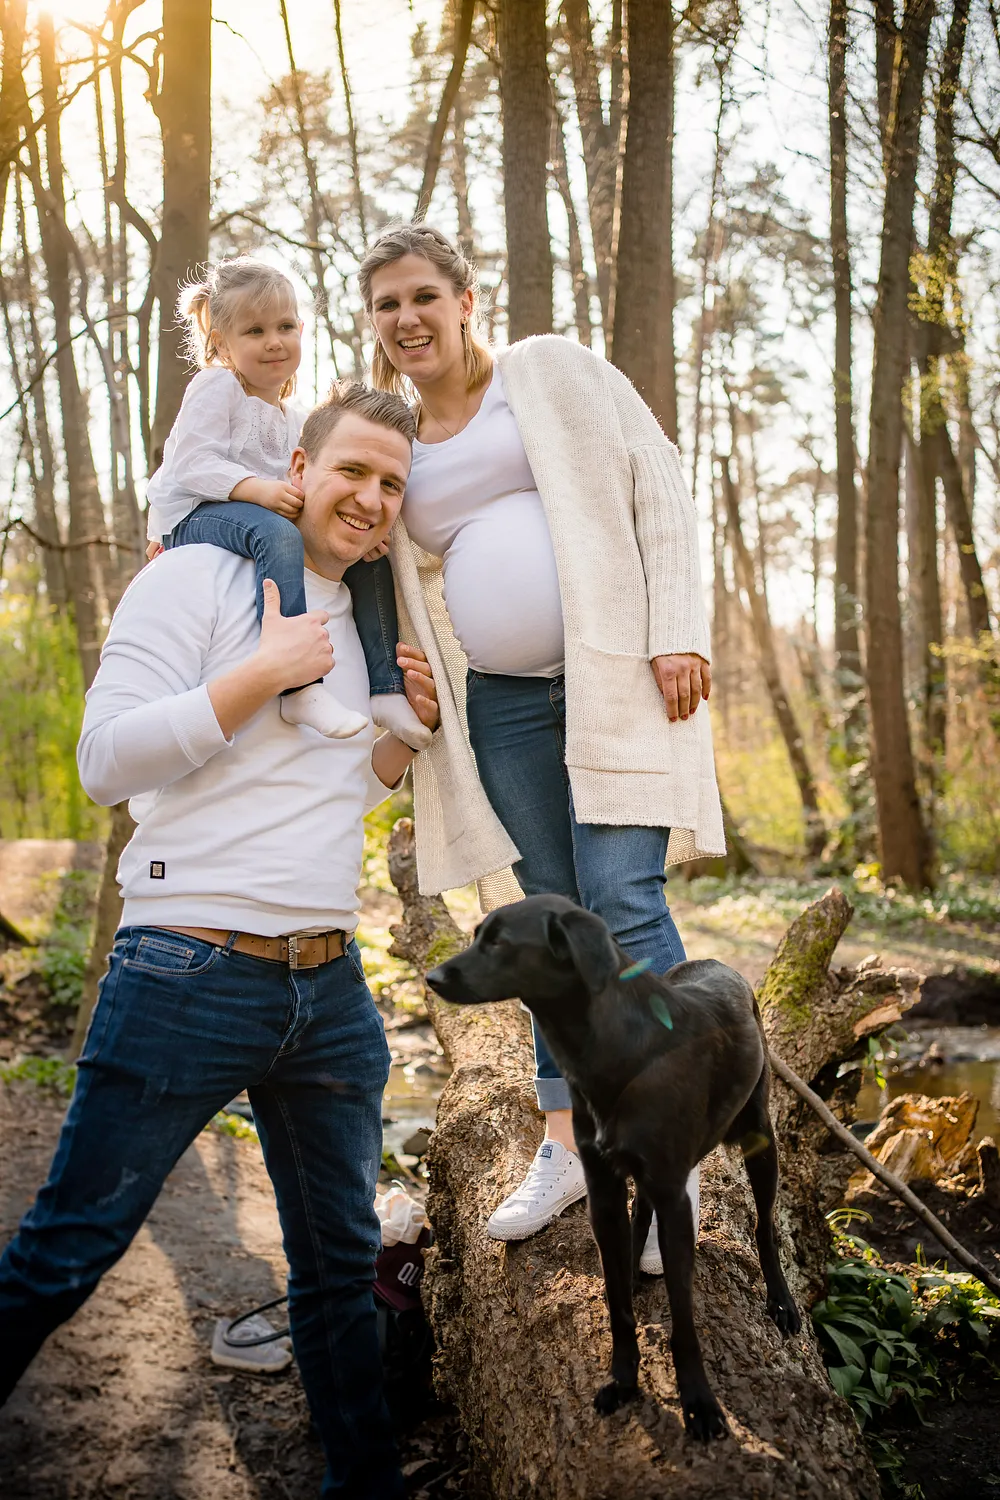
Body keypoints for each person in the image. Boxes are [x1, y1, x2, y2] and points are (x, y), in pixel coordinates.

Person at [0, 383, 439, 1500]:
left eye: (392, 483)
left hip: (329, 992)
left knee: (340, 1272)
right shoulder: (198, 574)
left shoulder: (378, 626)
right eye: (352, 471)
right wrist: (257, 675)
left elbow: (325, 795)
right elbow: (107, 761)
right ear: (299, 467)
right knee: (69, 1250)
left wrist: (402, 743)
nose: (371, 499)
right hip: (183, 973)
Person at [358, 224, 725, 1275]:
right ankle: (566, 1146)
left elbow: (656, 478)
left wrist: (677, 629)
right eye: (386, 304)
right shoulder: (398, 436)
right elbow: (373, 554)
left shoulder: (547, 371)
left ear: (465, 297)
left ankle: (671, 1154)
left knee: (623, 899)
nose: (407, 319)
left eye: (423, 294)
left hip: (612, 676)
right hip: (506, 706)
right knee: (542, 933)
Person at [146, 256, 430, 751]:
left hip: (243, 515)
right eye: (254, 331)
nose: (273, 341)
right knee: (275, 532)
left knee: (368, 561)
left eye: (284, 327)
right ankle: (299, 686)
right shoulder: (217, 387)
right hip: (191, 514)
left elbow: (303, 484)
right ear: (222, 342)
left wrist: (354, 528)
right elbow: (189, 464)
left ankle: (384, 689)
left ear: (301, 329)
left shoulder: (292, 412)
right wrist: (256, 490)